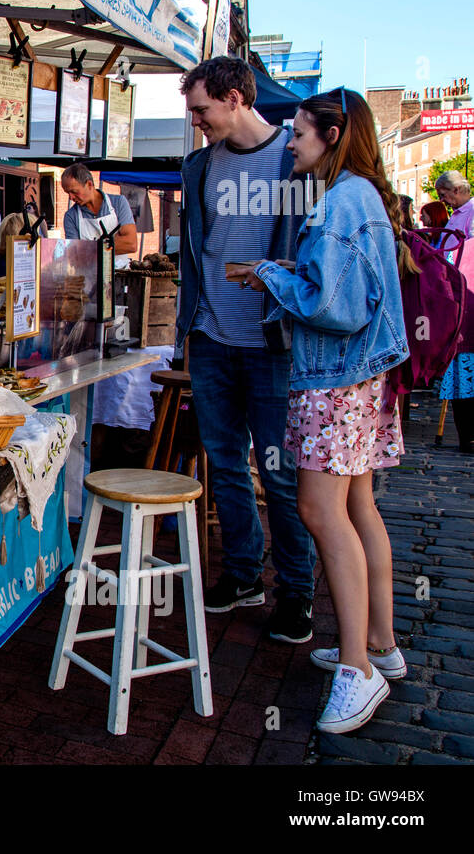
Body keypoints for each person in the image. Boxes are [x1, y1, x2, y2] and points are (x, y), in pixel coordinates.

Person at [237, 87, 412, 733]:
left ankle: (359, 672)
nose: (291, 143)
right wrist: (293, 269)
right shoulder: (360, 196)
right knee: (359, 508)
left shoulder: (340, 201)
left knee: (318, 510)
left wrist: (274, 276)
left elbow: (332, 307)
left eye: (301, 134)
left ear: (333, 135)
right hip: (365, 379)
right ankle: (379, 645)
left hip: (336, 381)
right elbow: (345, 287)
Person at [177, 56, 317, 643]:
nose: (196, 121)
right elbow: (193, 253)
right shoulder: (198, 166)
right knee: (226, 464)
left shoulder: (294, 159)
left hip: (272, 343)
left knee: (280, 473)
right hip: (212, 339)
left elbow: (313, 251)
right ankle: (242, 575)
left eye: (202, 109)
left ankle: (298, 592)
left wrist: (276, 276)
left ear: (235, 98)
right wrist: (187, 331)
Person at [434, 170, 474, 452]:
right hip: (456, 294)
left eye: (444, 194)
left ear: (457, 189)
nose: (443, 200)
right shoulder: (457, 213)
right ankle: (465, 435)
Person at [60, 164, 137, 262]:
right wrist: (113, 242)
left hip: (120, 272)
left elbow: (131, 244)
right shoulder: (71, 216)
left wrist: (89, 248)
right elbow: (75, 254)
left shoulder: (118, 203)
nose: (71, 197)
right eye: (67, 193)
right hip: (89, 275)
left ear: (89, 184)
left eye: (74, 191)